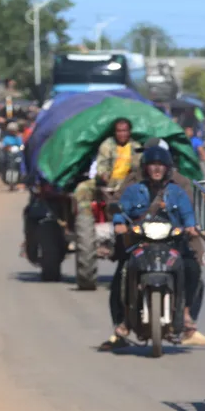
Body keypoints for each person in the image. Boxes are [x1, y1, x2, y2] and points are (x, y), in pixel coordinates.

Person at [100, 145, 205, 350]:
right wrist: (119, 223)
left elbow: (187, 213)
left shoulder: (178, 189)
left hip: (172, 241)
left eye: (160, 165)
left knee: (192, 268)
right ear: (145, 167)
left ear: (167, 167)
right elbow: (120, 208)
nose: (156, 169)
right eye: (152, 165)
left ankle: (185, 314)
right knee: (122, 274)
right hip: (140, 241)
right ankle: (122, 323)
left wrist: (190, 227)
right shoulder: (133, 187)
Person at [72, 118, 141, 291]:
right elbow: (102, 165)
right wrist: (103, 177)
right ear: (114, 132)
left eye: (125, 131)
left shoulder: (136, 147)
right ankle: (85, 219)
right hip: (108, 184)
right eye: (119, 131)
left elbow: (140, 167)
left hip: (129, 185)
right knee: (81, 189)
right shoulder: (107, 146)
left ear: (130, 132)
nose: (122, 134)